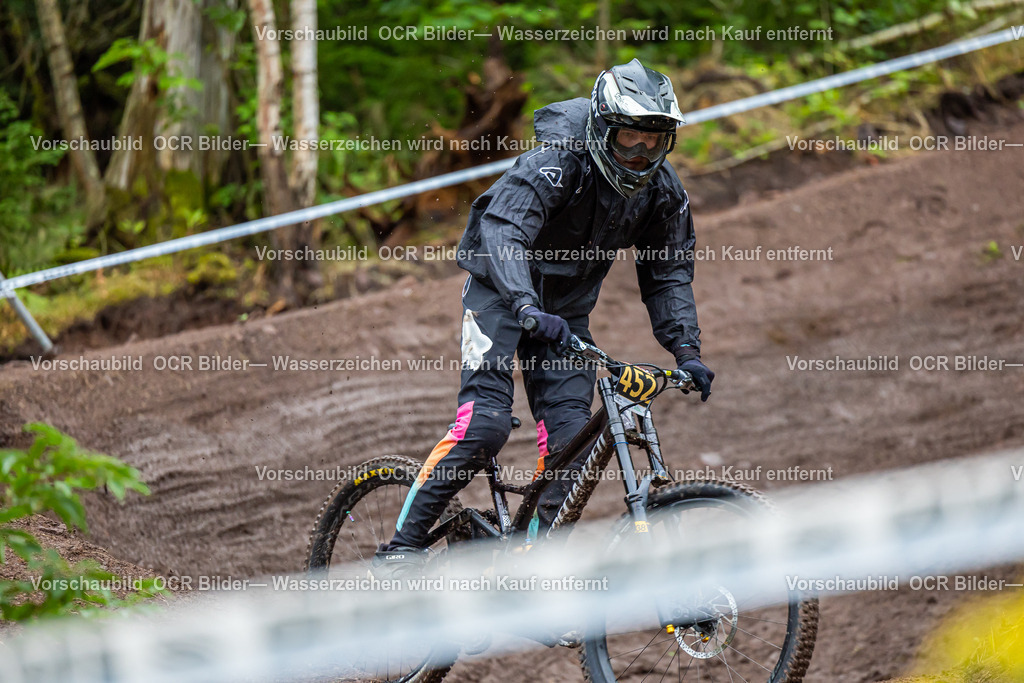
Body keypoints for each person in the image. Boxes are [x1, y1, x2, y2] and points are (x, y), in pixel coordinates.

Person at [372, 58, 714, 577]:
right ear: (602, 128)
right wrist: (525, 304)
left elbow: (668, 274)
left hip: (566, 317)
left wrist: (686, 351)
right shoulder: (556, 163)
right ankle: (401, 548)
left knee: (574, 443)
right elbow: (505, 229)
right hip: (499, 295)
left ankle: (529, 569)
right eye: (629, 139)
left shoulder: (663, 193)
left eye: (655, 141)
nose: (642, 154)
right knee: (483, 427)